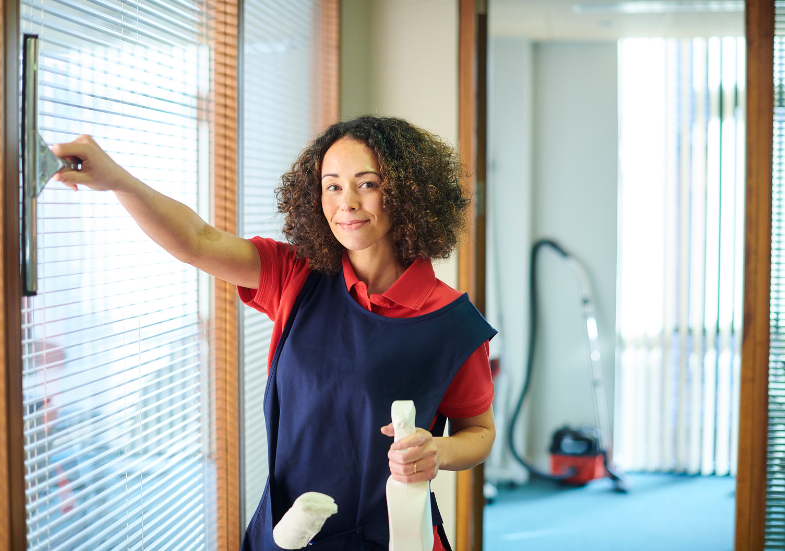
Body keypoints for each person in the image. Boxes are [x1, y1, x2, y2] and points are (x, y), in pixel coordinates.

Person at [51, 115, 497, 551]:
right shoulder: (296, 276)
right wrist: (117, 181)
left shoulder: (450, 321)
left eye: (368, 183)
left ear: (408, 193)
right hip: (287, 532)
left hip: (396, 538)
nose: (347, 203)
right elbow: (196, 240)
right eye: (332, 185)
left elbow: (479, 432)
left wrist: (437, 450)